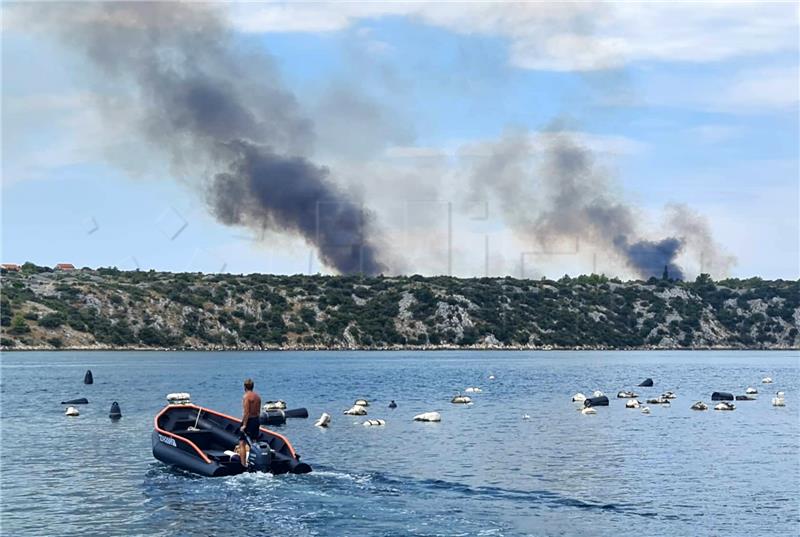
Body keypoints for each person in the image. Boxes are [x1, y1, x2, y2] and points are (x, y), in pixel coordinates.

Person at [238, 378, 262, 467]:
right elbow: (259, 411)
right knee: (254, 442)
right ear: (253, 386)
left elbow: (246, 412)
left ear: (245, 387)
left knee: (242, 442)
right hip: (256, 420)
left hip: (249, 421)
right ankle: (255, 462)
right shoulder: (257, 397)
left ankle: (243, 464)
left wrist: (244, 425)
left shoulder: (246, 396)